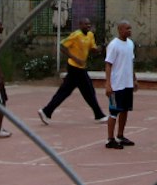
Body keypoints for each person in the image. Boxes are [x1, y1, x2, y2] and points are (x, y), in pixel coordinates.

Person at [38, 22, 105, 124]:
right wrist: (74, 58)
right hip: (74, 67)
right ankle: (99, 115)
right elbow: (62, 45)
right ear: (80, 25)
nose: (87, 26)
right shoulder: (76, 35)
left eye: (89, 24)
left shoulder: (90, 35)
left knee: (66, 91)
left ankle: (46, 111)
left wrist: (99, 49)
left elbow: (92, 48)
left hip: (81, 67)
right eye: (85, 24)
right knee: (88, 91)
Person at [103, 20, 137, 148]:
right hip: (116, 84)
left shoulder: (130, 44)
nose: (129, 30)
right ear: (120, 30)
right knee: (114, 111)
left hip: (127, 83)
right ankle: (110, 139)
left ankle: (120, 135)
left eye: (130, 28)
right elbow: (108, 64)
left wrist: (134, 79)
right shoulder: (113, 45)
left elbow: (131, 62)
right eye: (127, 28)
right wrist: (108, 84)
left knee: (125, 110)